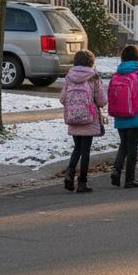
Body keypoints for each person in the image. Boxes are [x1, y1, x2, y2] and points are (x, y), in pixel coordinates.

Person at [109, 45, 138, 189]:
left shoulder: (117, 74)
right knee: (132, 148)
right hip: (135, 116)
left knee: (123, 144)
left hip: (120, 116)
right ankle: (130, 178)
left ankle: (116, 169)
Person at [60, 49, 107, 193]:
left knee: (77, 149)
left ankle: (69, 173)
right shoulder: (94, 77)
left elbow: (62, 98)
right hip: (89, 119)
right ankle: (82, 182)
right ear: (91, 62)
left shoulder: (69, 76)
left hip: (73, 118)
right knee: (85, 151)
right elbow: (101, 100)